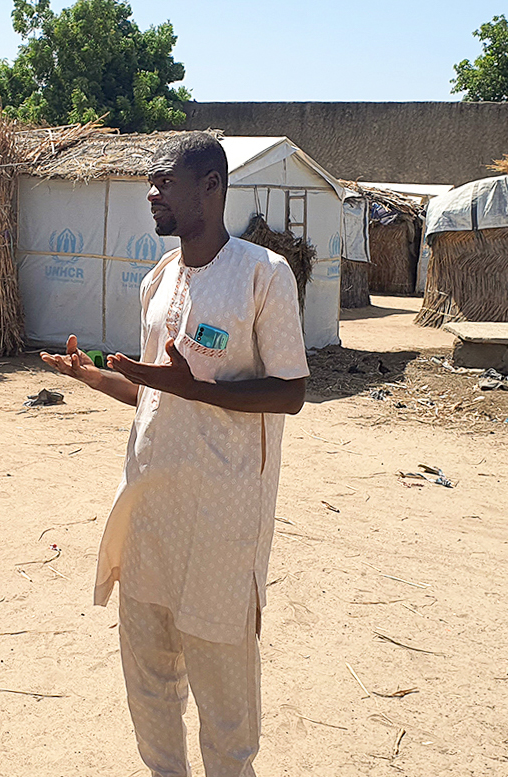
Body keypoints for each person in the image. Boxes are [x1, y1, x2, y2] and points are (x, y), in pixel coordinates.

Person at [42, 132, 308, 777]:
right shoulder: (159, 279)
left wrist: (203, 389)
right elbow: (155, 393)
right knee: (150, 680)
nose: (151, 193)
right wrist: (95, 378)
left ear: (210, 188)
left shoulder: (262, 276)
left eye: (164, 181)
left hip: (222, 518)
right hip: (151, 511)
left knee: (225, 699)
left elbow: (293, 392)